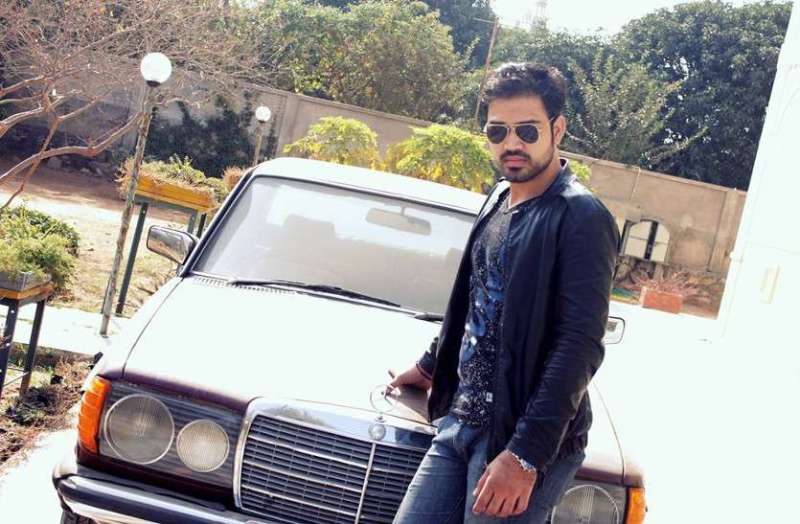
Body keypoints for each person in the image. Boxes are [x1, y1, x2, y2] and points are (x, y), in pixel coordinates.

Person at [389, 63, 620, 523]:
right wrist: (431, 365)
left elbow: (579, 345)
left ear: (557, 129)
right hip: (460, 422)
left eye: (527, 131)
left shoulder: (581, 217)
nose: (511, 144)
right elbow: (476, 302)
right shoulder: (498, 197)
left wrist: (525, 456)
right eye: (498, 131)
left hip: (519, 439)